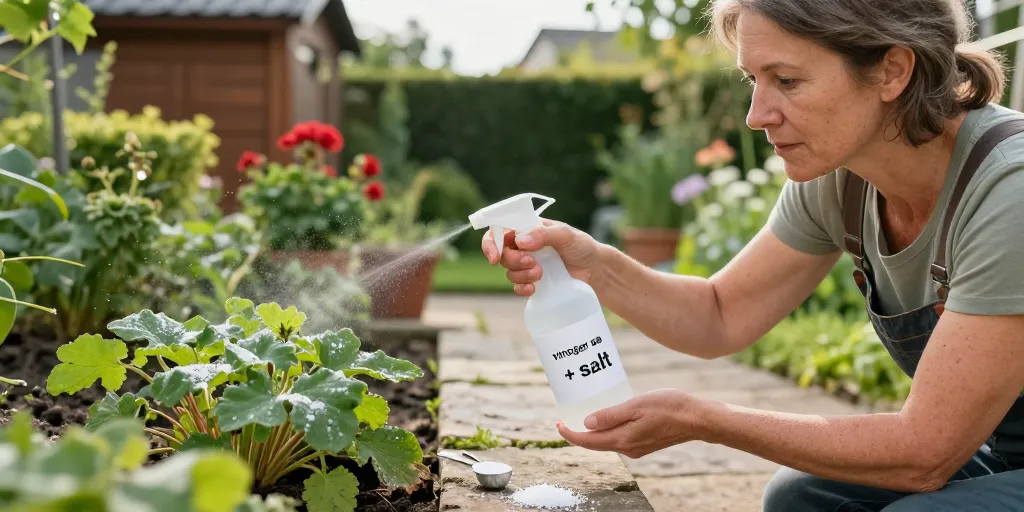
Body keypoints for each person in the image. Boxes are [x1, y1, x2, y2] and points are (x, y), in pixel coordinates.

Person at [480, 0, 1024, 509]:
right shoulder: (842, 179)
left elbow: (923, 454)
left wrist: (704, 419)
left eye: (786, 81)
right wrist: (594, 264)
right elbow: (720, 314)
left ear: (892, 71)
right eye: (753, 80)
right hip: (1003, 456)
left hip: (966, 453)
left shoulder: (1009, 188)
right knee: (801, 497)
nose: (756, 115)